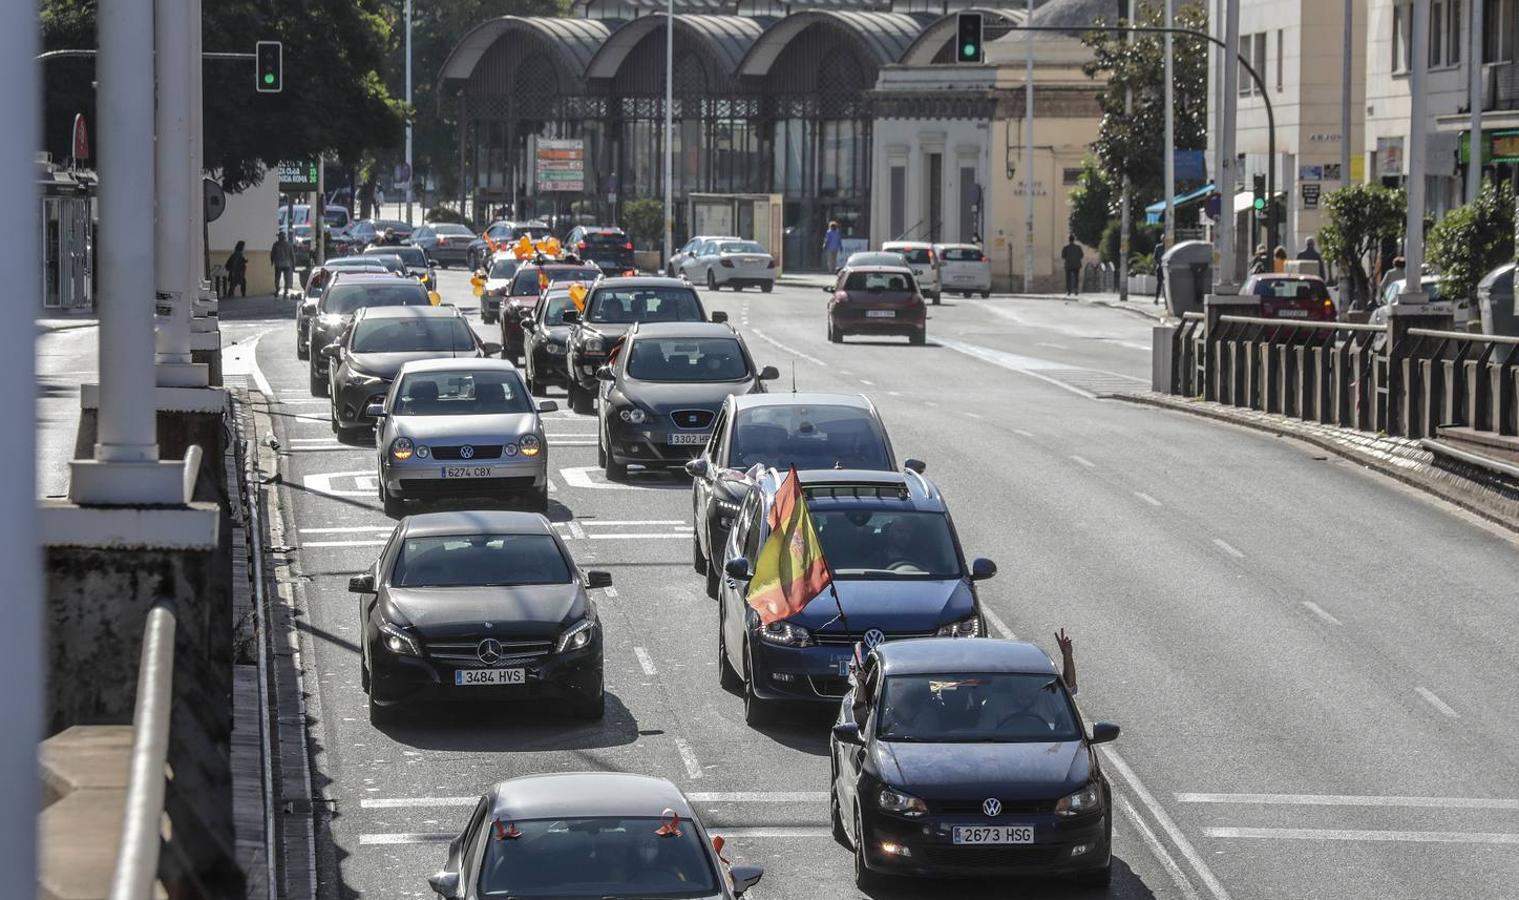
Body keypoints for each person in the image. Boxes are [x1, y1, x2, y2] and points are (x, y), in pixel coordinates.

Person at [270, 231, 295, 296]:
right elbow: (292, 255)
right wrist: (293, 265)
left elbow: (272, 254)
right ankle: (285, 291)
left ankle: (277, 289)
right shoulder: (289, 245)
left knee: (277, 278)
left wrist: (272, 262)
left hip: (278, 264)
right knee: (286, 278)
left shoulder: (275, 245)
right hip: (287, 264)